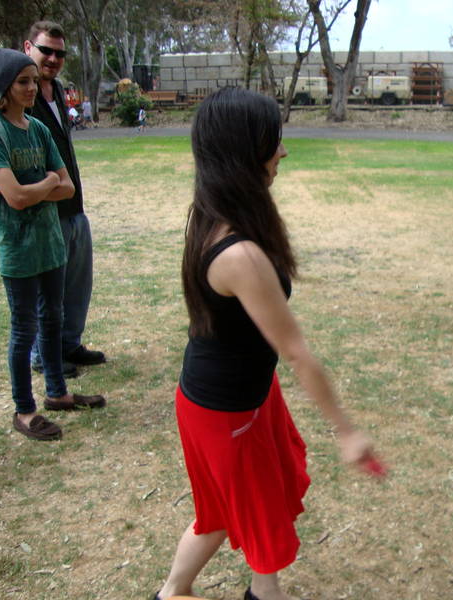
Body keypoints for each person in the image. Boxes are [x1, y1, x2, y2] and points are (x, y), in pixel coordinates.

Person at [153, 87, 380, 600]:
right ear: (244, 152)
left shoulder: (214, 213)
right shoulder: (239, 255)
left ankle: (179, 591)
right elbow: (297, 352)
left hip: (239, 397)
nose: (284, 150)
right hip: (226, 413)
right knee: (251, 518)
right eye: (273, 140)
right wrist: (347, 432)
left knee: (235, 510)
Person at [0, 48, 106, 441]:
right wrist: (47, 182)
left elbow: (68, 187)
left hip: (50, 242)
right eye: (23, 82)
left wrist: (40, 186)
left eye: (33, 81)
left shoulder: (38, 128)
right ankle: (24, 410)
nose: (32, 88)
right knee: (24, 329)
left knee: (53, 319)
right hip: (19, 247)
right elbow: (14, 198)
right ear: (4, 86)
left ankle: (57, 393)